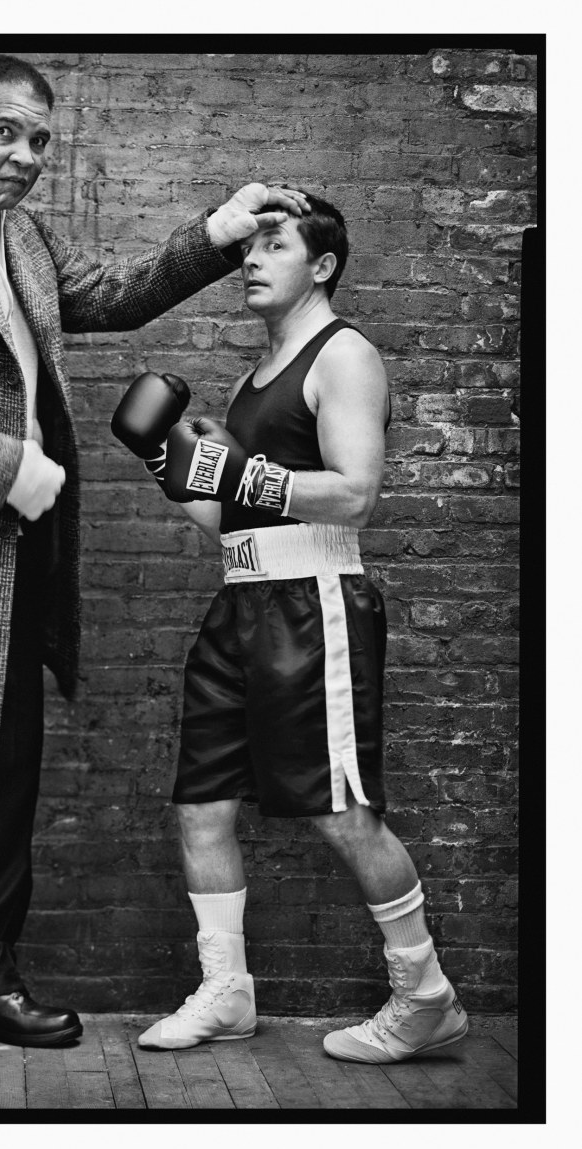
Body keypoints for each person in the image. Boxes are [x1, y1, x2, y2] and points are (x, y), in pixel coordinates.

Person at [0, 50, 311, 1078]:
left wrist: (219, 231)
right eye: (5, 131)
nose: (26, 154)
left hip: (7, 572)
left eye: (40, 139)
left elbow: (113, 293)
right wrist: (9, 469)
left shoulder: (19, 235)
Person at [111, 192, 469, 1063]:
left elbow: (354, 492)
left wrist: (242, 472)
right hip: (238, 601)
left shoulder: (342, 355)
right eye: (249, 246)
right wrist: (166, 460)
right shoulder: (251, 379)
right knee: (201, 808)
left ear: (322, 265)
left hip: (313, 606)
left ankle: (425, 995)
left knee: (341, 813)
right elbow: (225, 518)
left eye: (274, 245)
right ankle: (226, 992)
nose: (250, 258)